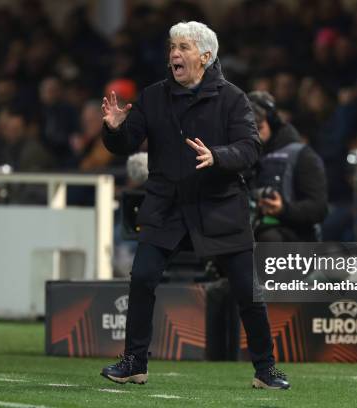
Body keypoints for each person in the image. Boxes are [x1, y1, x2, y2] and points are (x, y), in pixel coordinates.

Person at [100, 21, 289, 390]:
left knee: (247, 291)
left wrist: (217, 156)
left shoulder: (233, 98)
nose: (174, 53)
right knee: (142, 279)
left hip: (220, 206)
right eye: (172, 46)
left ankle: (266, 369)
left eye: (183, 47)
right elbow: (125, 144)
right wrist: (114, 128)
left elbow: (251, 148)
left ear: (205, 56)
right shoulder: (153, 96)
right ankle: (135, 362)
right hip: (166, 205)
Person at [248, 91, 328, 242]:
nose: (253, 136)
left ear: (272, 123)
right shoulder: (243, 155)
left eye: (258, 128)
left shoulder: (302, 156)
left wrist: (283, 209)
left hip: (291, 237)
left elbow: (319, 209)